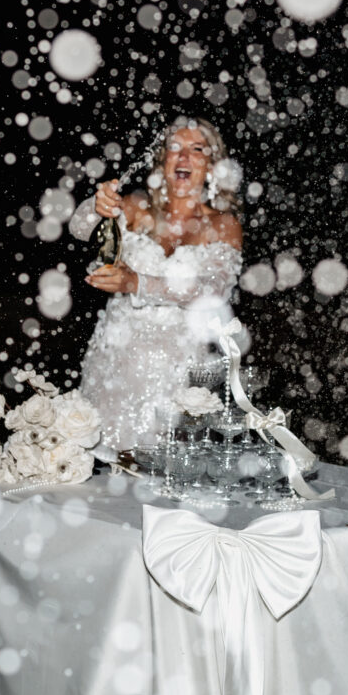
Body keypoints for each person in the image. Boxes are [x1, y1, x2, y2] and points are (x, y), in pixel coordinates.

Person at [69, 116, 242, 459]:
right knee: (98, 471)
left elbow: (212, 292)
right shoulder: (134, 207)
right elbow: (79, 228)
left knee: (168, 475)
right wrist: (97, 204)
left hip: (177, 371)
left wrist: (137, 282)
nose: (183, 158)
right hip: (115, 363)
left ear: (211, 166)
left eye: (196, 150)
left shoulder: (223, 224)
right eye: (174, 148)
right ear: (161, 160)